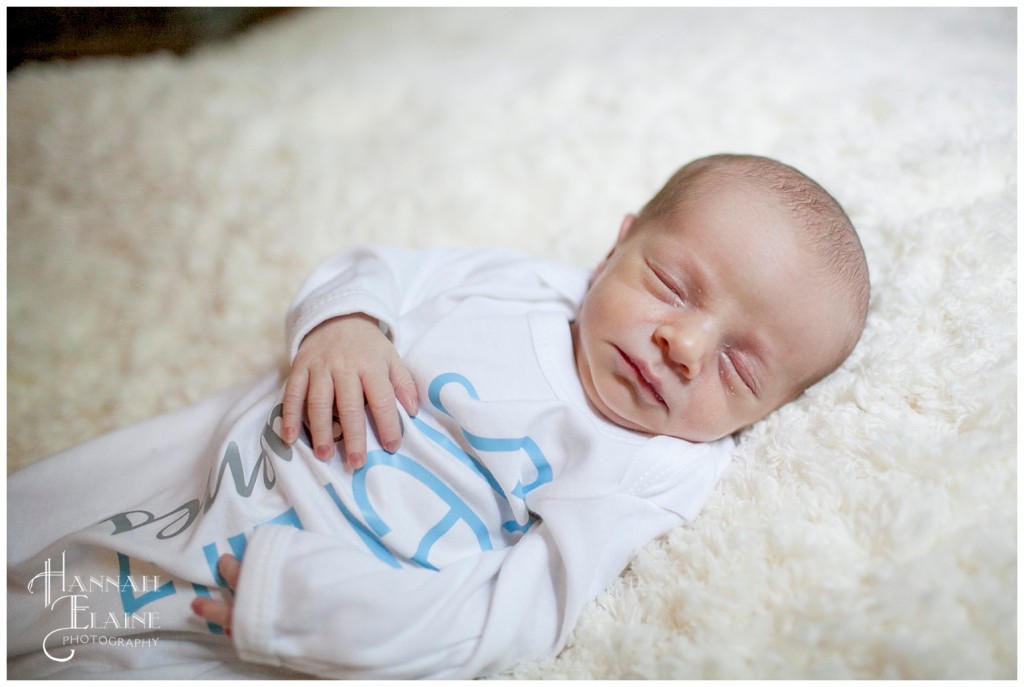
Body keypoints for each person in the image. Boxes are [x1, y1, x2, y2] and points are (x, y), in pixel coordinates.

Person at [7, 154, 869, 679]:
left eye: (738, 365)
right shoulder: (521, 286)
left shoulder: (656, 466)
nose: (684, 343)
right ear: (617, 243)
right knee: (37, 554)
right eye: (675, 287)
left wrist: (305, 609)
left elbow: (521, 612)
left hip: (265, 615)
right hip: (211, 479)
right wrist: (347, 325)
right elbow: (373, 269)